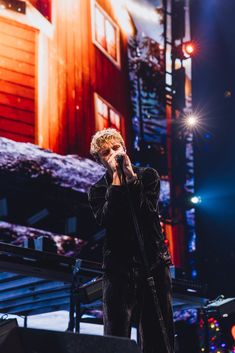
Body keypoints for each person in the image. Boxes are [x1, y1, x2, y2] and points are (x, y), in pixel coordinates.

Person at [88, 128, 174, 353]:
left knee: (157, 334)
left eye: (116, 148)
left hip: (153, 263)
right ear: (100, 160)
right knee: (115, 333)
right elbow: (108, 220)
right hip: (118, 269)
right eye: (106, 152)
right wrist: (117, 182)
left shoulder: (148, 176)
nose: (113, 154)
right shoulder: (97, 190)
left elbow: (147, 214)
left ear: (124, 149)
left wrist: (131, 179)